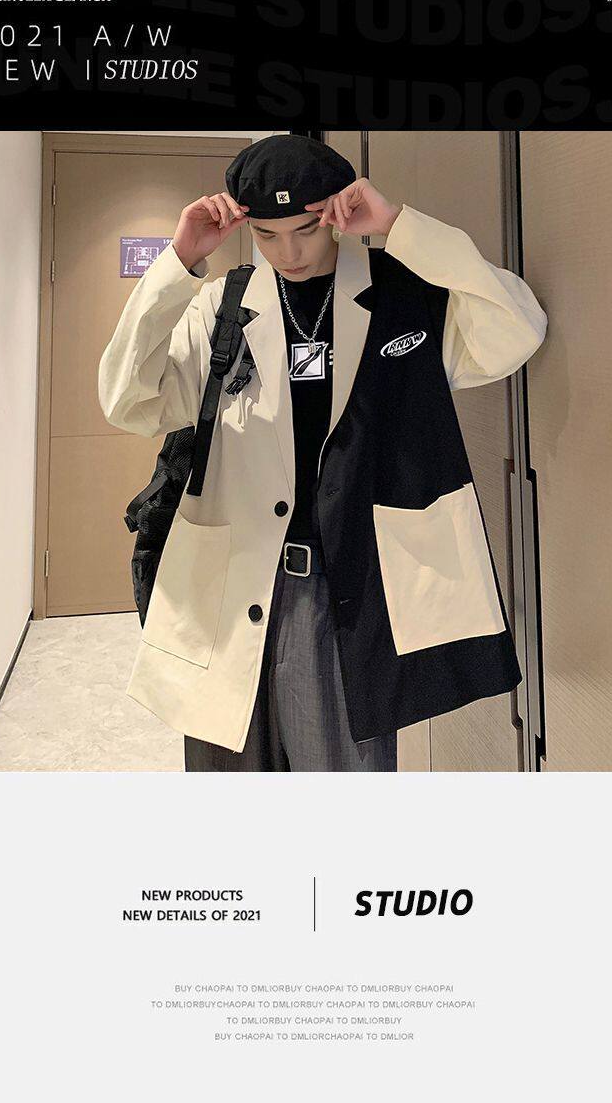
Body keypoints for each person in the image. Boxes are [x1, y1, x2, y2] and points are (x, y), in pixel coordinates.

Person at [98, 135, 548, 772]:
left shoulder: (402, 292)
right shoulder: (222, 306)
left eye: (306, 230)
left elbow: (516, 332)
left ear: (336, 213)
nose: (290, 253)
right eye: (268, 235)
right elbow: (127, 400)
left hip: (348, 596)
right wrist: (180, 263)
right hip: (231, 588)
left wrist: (398, 226)